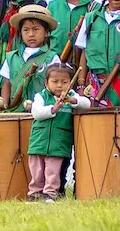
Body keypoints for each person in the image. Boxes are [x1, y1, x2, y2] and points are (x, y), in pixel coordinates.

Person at [27, 64, 91, 202]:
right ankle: (35, 194)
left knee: (53, 171)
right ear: (46, 83)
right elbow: (36, 113)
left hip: (59, 141)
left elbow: (87, 104)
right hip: (39, 139)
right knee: (37, 170)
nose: (59, 86)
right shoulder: (40, 96)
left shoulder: (72, 96)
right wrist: (53, 109)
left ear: (71, 83)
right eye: (55, 82)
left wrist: (72, 100)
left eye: (64, 82)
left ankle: (50, 194)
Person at [0, 4, 60, 112]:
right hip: (15, 111)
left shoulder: (52, 58)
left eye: (36, 29)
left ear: (46, 32)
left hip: (41, 111)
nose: (31, 34)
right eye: (26, 30)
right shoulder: (11, 57)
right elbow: (7, 83)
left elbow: (56, 84)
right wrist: (4, 103)